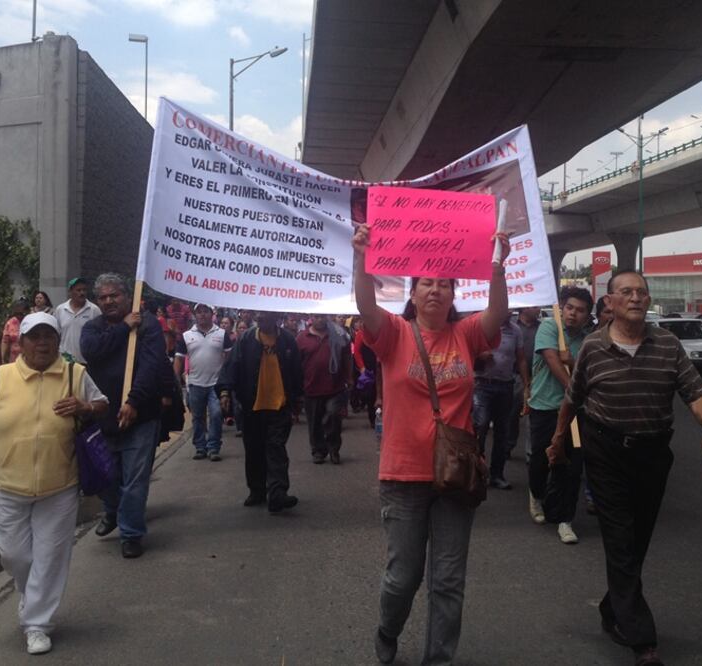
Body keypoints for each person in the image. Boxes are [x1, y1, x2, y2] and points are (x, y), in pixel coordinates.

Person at [548, 269, 702, 666]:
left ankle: (614, 608)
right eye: (625, 292)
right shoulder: (593, 348)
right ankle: (643, 640)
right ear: (609, 303)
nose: (635, 298)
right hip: (606, 451)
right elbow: (571, 399)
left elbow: (693, 391)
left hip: (652, 453)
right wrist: (559, 439)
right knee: (619, 537)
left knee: (637, 539)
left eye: (641, 292)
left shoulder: (667, 344)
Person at [353, 221, 510, 666]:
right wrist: (361, 257)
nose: (436, 291)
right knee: (403, 577)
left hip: (455, 477)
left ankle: (437, 660)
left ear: (454, 294)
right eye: (427, 284)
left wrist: (497, 266)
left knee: (448, 580)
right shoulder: (393, 335)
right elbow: (365, 305)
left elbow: (497, 314)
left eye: (444, 284)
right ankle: (388, 629)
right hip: (403, 477)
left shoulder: (467, 334)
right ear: (414, 292)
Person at [0, 312, 108, 655]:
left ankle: (37, 624)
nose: (42, 343)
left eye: (48, 337)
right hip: (9, 487)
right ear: (20, 343)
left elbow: (102, 404)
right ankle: (32, 596)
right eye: (34, 337)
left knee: (50, 557)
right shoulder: (3, 377)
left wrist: (84, 406)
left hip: (60, 486)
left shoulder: (73, 373)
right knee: (14, 554)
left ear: (57, 341)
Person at [81, 274, 172, 559]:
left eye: (114, 296)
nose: (109, 301)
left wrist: (133, 401)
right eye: (103, 298)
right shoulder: (92, 328)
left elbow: (151, 366)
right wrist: (123, 328)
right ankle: (112, 510)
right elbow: (92, 352)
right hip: (103, 417)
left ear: (126, 296)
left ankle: (131, 533)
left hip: (141, 416)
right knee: (106, 477)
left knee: (135, 478)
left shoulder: (148, 325)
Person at [217, 311, 303, 513]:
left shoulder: (288, 340)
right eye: (258, 315)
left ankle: (277, 493)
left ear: (275, 317)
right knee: (254, 450)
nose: (260, 318)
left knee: (276, 448)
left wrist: (298, 398)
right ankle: (256, 490)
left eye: (264, 315)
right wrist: (224, 392)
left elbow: (296, 371)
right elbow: (232, 367)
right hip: (252, 406)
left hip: (279, 405)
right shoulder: (245, 340)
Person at [527, 286, 592, 544]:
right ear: (562, 308)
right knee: (543, 460)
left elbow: (589, 372)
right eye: (569, 308)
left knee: (573, 465)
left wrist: (574, 363)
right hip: (545, 407)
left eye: (580, 311)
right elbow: (553, 361)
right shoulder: (549, 328)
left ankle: (565, 519)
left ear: (587, 316)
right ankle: (536, 493)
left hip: (575, 415)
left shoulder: (588, 340)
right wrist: (573, 390)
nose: (573, 314)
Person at [472, 315, 526, 490]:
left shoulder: (515, 330)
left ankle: (497, 474)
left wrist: (527, 384)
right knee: (480, 427)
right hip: (482, 385)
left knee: (502, 431)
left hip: (506, 386)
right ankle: (476, 473)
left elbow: (521, 358)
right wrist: (479, 357)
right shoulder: (481, 326)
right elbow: (465, 351)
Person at [175, 303, 230, 461]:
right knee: (197, 417)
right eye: (199, 312)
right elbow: (178, 359)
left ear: (211, 314)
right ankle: (200, 447)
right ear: (195, 315)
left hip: (216, 384)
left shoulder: (221, 334)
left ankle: (213, 447)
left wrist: (227, 383)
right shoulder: (186, 336)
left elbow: (228, 358)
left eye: (205, 311)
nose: (202, 315)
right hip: (195, 384)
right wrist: (175, 382)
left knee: (216, 414)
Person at [296, 314, 353, 465]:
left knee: (333, 416)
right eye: (316, 317)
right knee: (314, 423)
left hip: (335, 387)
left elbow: (347, 356)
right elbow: (296, 364)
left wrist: (349, 376)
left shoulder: (338, 334)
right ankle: (318, 451)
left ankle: (334, 449)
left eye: (322, 317)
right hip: (311, 388)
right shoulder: (302, 338)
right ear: (310, 318)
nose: (320, 319)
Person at [510, 306, 541, 461]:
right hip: (515, 377)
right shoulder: (512, 326)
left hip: (537, 378)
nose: (539, 309)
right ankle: (507, 446)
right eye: (535, 306)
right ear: (524, 308)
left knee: (533, 416)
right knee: (511, 415)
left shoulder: (543, 328)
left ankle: (531, 453)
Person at [56, 277, 101, 364]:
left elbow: (99, 335)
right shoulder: (61, 309)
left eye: (84, 290)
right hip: (65, 361)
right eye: (78, 290)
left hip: (87, 362)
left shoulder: (94, 310)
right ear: (70, 292)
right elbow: (56, 334)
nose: (82, 293)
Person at [1, 299, 31, 364]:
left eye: (21, 314)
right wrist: (3, 358)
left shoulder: (32, 322)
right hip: (14, 359)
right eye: (16, 314)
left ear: (28, 311)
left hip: (29, 358)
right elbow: (5, 341)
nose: (19, 316)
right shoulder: (10, 323)